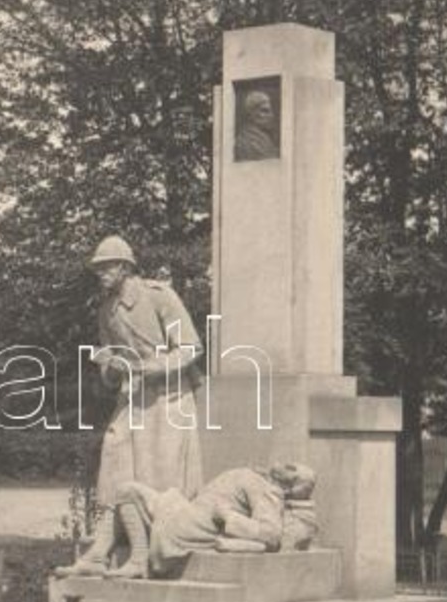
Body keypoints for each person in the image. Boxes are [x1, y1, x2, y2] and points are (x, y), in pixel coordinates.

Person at [56, 236, 201, 577]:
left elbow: (190, 347)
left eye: (106, 266)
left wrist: (147, 367)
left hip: (169, 397)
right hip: (132, 396)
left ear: (124, 266)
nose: (101, 274)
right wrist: (111, 368)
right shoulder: (106, 309)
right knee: (114, 462)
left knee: (158, 477)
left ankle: (143, 556)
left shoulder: (158, 296)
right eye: (98, 268)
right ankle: (100, 553)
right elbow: (110, 359)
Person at [72, 463, 318, 581]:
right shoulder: (257, 474)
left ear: (289, 484)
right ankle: (95, 559)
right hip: (185, 510)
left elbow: (270, 534)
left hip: (191, 527)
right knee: (126, 490)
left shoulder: (269, 491)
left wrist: (230, 518)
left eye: (292, 468)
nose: (285, 464)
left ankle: (138, 561)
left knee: (128, 492)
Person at [234, 89, 279, 161]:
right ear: (251, 114)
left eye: (270, 111)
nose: (271, 115)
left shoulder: (265, 138)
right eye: (264, 111)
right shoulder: (245, 141)